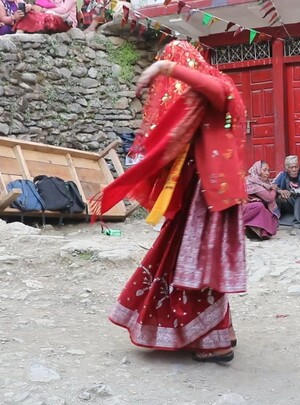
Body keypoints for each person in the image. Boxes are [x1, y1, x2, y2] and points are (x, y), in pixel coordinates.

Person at [93, 41, 248, 363]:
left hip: (210, 195)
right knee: (194, 263)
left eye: (175, 66)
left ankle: (214, 343)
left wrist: (165, 68)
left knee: (197, 268)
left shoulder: (216, 90)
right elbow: (169, 144)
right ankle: (223, 330)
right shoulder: (198, 99)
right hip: (203, 192)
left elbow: (214, 90)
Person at [273, 155, 300, 235]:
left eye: (296, 167)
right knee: (279, 196)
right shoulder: (282, 174)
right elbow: (272, 185)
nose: (294, 170)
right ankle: (275, 220)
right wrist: (281, 191)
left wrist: (292, 191)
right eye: (291, 168)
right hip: (292, 203)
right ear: (286, 168)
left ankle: (296, 226)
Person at [243, 160, 280, 240]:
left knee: (267, 212)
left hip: (251, 207)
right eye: (264, 170)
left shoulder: (264, 183)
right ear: (257, 170)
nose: (267, 173)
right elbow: (269, 198)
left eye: (268, 170)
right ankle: (246, 227)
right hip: (242, 209)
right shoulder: (252, 182)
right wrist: (274, 189)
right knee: (258, 206)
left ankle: (258, 231)